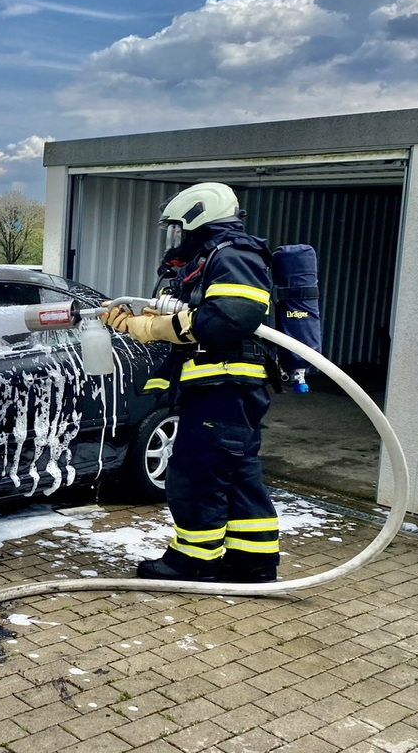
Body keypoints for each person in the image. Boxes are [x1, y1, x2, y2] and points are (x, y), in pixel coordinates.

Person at [102, 182, 280, 583]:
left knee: (195, 474)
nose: (175, 237)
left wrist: (154, 328)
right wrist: (141, 321)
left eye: (178, 228)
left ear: (200, 218)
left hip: (225, 386)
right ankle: (253, 560)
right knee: (235, 473)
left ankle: (193, 561)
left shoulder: (232, 254)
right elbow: (196, 313)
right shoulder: (217, 256)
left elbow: (230, 318)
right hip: (225, 388)